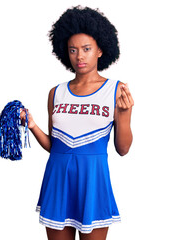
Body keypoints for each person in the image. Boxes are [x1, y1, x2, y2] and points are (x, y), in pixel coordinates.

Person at [20, 6, 134, 240]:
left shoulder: (116, 90)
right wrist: (32, 125)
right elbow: (55, 146)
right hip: (58, 180)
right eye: (73, 50)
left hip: (93, 181)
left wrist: (125, 113)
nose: (79, 56)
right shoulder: (56, 93)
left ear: (101, 50)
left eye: (86, 49)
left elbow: (122, 149)